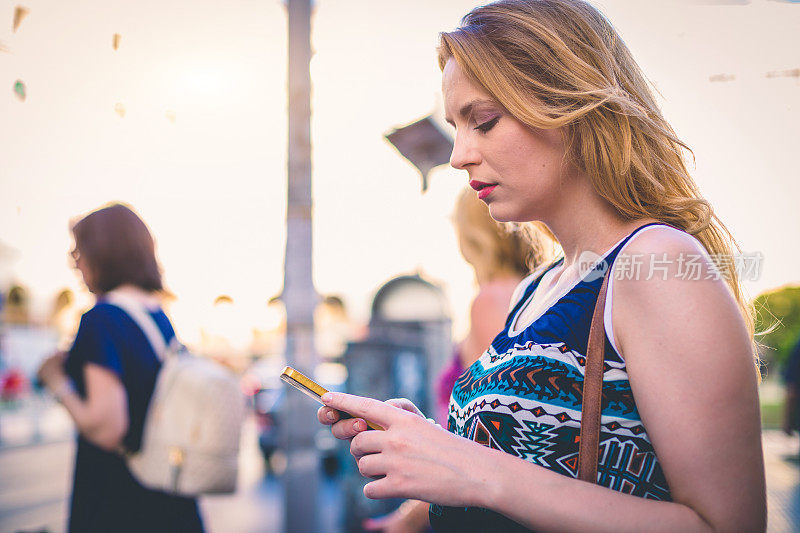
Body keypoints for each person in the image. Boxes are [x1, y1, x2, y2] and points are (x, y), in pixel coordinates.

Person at [318, 1, 766, 531]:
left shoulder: (655, 262)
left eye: (483, 121)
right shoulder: (537, 287)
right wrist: (436, 444)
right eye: (456, 127)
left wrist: (471, 467)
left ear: (571, 107)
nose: (460, 154)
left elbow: (727, 525)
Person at [364, 188, 548, 532]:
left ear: (473, 236)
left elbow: (487, 439)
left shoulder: (492, 301)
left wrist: (410, 518)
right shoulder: (537, 291)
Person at [36, 203, 204, 533]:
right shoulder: (158, 317)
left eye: (78, 250)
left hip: (119, 503)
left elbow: (107, 428)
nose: (74, 262)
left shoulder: (101, 319)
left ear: (103, 252)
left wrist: (55, 380)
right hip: (169, 496)